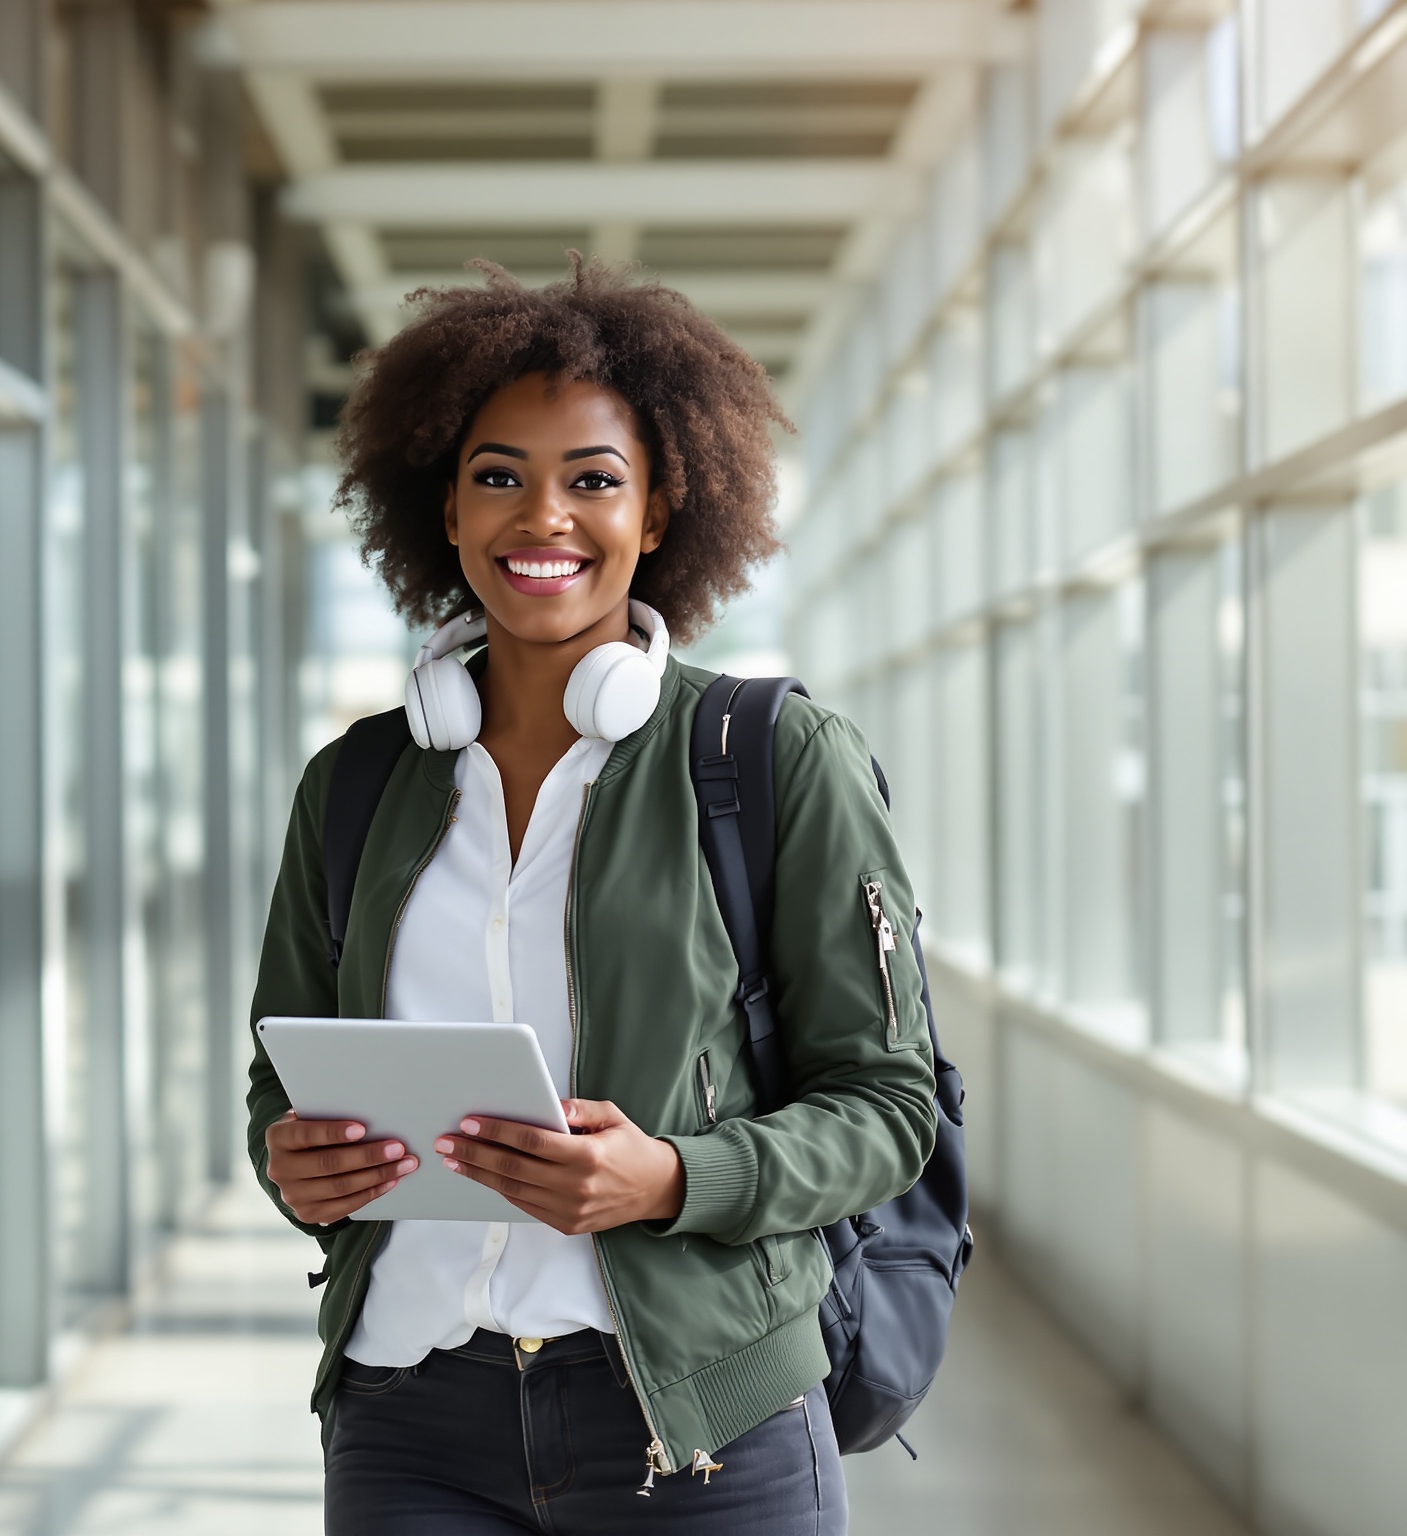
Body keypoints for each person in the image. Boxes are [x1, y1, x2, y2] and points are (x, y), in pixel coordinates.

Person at [246, 258, 936, 1535]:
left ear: (660, 513)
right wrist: (297, 1164)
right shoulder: (355, 785)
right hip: (408, 1417)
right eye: (498, 475)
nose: (541, 517)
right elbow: (279, 1079)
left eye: (593, 481)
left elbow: (890, 1110)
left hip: (706, 1429)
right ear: (444, 510)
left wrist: (675, 1177)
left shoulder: (770, 760)